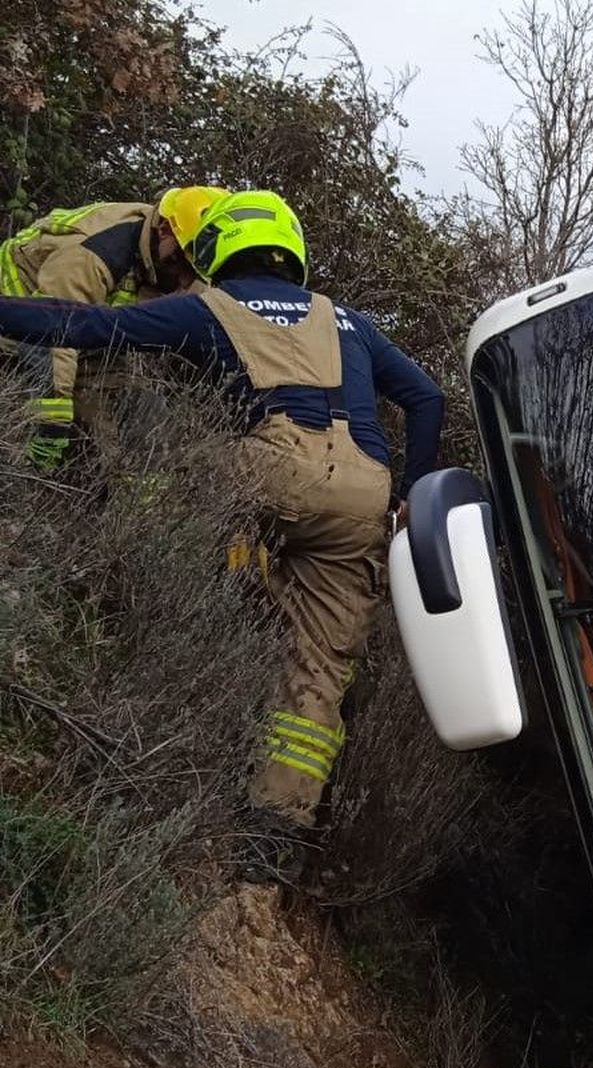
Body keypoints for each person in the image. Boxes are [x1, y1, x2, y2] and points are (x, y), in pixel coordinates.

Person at [0, 189, 446, 882]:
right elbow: (426, 397)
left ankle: (193, 597)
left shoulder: (206, 308)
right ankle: (268, 849)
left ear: (216, 251)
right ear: (292, 248)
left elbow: (81, 327)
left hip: (269, 470)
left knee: (169, 462)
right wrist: (412, 496)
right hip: (364, 494)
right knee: (319, 673)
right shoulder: (349, 320)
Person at [0, 186, 224, 468]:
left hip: (87, 323)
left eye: (195, 270)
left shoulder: (183, 256)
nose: (184, 280)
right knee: (45, 413)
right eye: (181, 263)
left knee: (119, 416)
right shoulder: (97, 251)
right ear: (165, 230)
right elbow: (52, 329)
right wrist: (52, 423)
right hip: (21, 311)